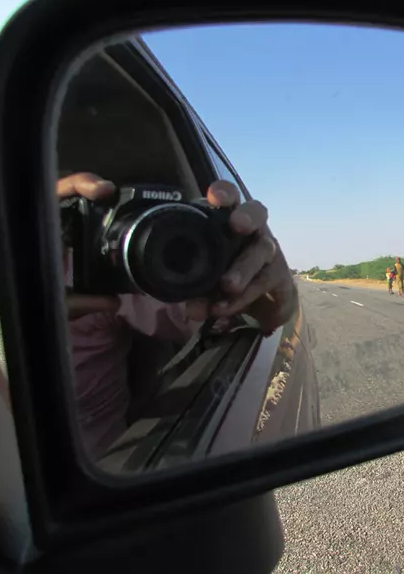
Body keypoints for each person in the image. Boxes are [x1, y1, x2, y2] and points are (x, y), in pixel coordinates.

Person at [58, 172, 298, 460]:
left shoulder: (106, 280)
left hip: (103, 470)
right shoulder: (88, 278)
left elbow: (245, 315)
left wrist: (273, 298)